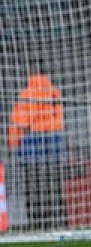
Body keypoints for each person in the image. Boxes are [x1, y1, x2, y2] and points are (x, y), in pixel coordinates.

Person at [6, 61, 65, 230]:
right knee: (54, 182)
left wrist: (13, 142)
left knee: (33, 184)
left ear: (30, 73)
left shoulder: (28, 93)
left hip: (33, 139)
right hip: (55, 139)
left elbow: (22, 121)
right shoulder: (54, 92)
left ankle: (37, 221)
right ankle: (58, 220)